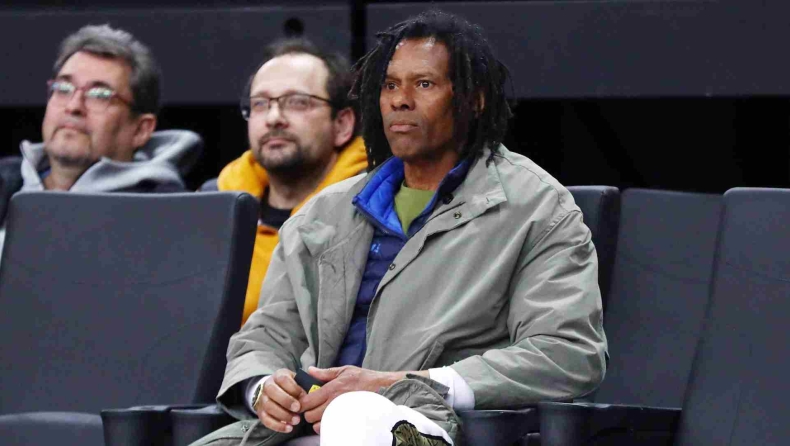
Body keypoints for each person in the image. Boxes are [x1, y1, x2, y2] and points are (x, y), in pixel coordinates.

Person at [192, 10, 607, 446]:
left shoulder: (537, 206)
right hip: (297, 429)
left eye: (423, 84)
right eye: (389, 85)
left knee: (357, 416)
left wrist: (406, 383)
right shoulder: (322, 214)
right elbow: (266, 335)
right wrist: (263, 388)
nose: (399, 101)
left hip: (434, 423)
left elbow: (568, 353)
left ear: (474, 99)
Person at [0, 24, 201, 259]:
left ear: (141, 129)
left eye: (100, 95)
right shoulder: (5, 182)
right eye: (63, 88)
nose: (73, 106)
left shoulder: (174, 218)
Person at [210, 39, 367, 325]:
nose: (273, 118)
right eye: (260, 104)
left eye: (297, 102)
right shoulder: (213, 205)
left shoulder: (375, 212)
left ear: (342, 124)